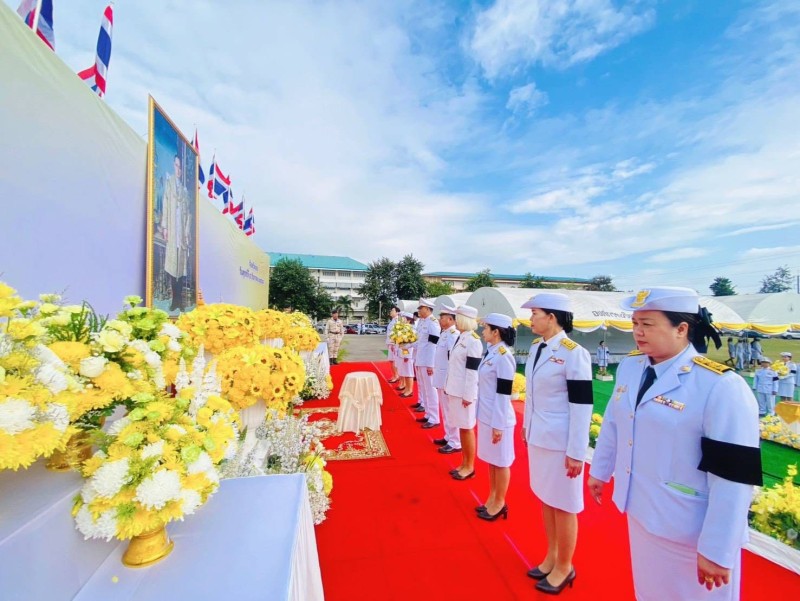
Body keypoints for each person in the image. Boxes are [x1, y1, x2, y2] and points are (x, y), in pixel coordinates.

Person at [588, 287, 762, 601]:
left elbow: (734, 475)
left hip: (690, 529)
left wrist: (717, 549)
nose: (637, 332)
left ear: (681, 329)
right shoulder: (631, 367)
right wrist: (600, 470)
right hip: (641, 511)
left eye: (647, 324)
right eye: (635, 323)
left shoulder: (720, 385)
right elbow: (615, 421)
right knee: (649, 592)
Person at [521, 293, 592, 595]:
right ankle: (551, 556)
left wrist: (576, 451)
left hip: (561, 443)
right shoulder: (537, 347)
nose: (531, 319)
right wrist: (526, 426)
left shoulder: (574, 354)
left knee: (564, 504)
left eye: (535, 313)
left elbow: (582, 405)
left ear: (552, 317)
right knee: (547, 498)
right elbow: (532, 394)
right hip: (540, 437)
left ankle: (565, 565)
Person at [475, 313, 517, 521]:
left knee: (501, 462)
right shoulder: (491, 352)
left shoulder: (503, 356)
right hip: (487, 415)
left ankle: (500, 502)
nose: (483, 331)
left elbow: (503, 393)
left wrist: (498, 425)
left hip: (498, 418)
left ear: (496, 332)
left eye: (486, 328)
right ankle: (492, 498)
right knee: (492, 460)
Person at [444, 305, 483, 480]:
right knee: (461, 427)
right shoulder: (461, 337)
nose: (455, 321)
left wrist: (468, 395)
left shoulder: (473, 341)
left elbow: (472, 372)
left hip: (464, 394)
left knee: (467, 429)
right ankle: (464, 462)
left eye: (457, 317)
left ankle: (469, 466)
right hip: (455, 390)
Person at [160, 154, 192, 312]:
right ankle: (174, 301)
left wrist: (187, 231)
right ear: (174, 165)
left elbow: (189, 214)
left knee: (181, 267)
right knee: (173, 266)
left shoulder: (185, 190)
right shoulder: (169, 183)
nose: (178, 170)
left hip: (182, 233)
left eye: (181, 167)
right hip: (173, 230)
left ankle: (180, 301)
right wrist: (165, 227)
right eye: (176, 166)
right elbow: (165, 205)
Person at [432, 305, 460, 454]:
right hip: (442, 376)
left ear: (450, 319)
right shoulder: (445, 333)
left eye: (442, 318)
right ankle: (448, 436)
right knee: (445, 409)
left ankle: (455, 441)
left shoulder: (453, 334)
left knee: (450, 411)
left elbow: (452, 360)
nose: (440, 320)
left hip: (447, 378)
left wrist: (451, 381)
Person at [414, 299, 442, 430]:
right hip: (421, 360)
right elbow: (420, 342)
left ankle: (434, 418)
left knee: (430, 390)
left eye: (421, 308)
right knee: (424, 389)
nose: (419, 310)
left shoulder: (433, 323)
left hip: (427, 361)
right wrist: (407, 345)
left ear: (427, 309)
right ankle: (428, 414)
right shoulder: (423, 322)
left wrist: (431, 364)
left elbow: (433, 345)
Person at [394, 312, 416, 398]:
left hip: (407, 355)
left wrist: (406, 355)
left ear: (409, 320)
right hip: (402, 353)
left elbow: (411, 344)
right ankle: (406, 388)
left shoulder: (411, 329)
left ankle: (410, 390)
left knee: (409, 373)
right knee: (405, 372)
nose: (401, 319)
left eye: (404, 318)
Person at [386, 306, 401, 384]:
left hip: (394, 344)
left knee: (394, 361)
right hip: (390, 343)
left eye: (392, 310)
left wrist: (393, 344)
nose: (391, 312)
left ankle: (396, 375)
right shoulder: (392, 321)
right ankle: (395, 375)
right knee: (391, 360)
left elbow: (397, 333)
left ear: (397, 312)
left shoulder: (397, 321)